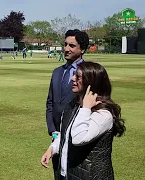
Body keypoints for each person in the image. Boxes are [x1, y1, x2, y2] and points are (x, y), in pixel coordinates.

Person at [41, 61, 126, 179]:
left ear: (91, 82)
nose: (72, 78)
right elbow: (65, 132)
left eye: (78, 76)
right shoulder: (73, 104)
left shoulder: (103, 114)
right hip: (68, 174)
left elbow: (78, 138)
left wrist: (86, 108)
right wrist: (53, 148)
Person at [45, 29, 89, 179]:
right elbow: (50, 103)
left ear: (82, 49)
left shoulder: (90, 72)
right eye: (65, 44)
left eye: (72, 45)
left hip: (77, 137)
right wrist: (53, 130)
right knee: (58, 175)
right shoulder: (57, 72)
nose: (66, 49)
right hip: (57, 137)